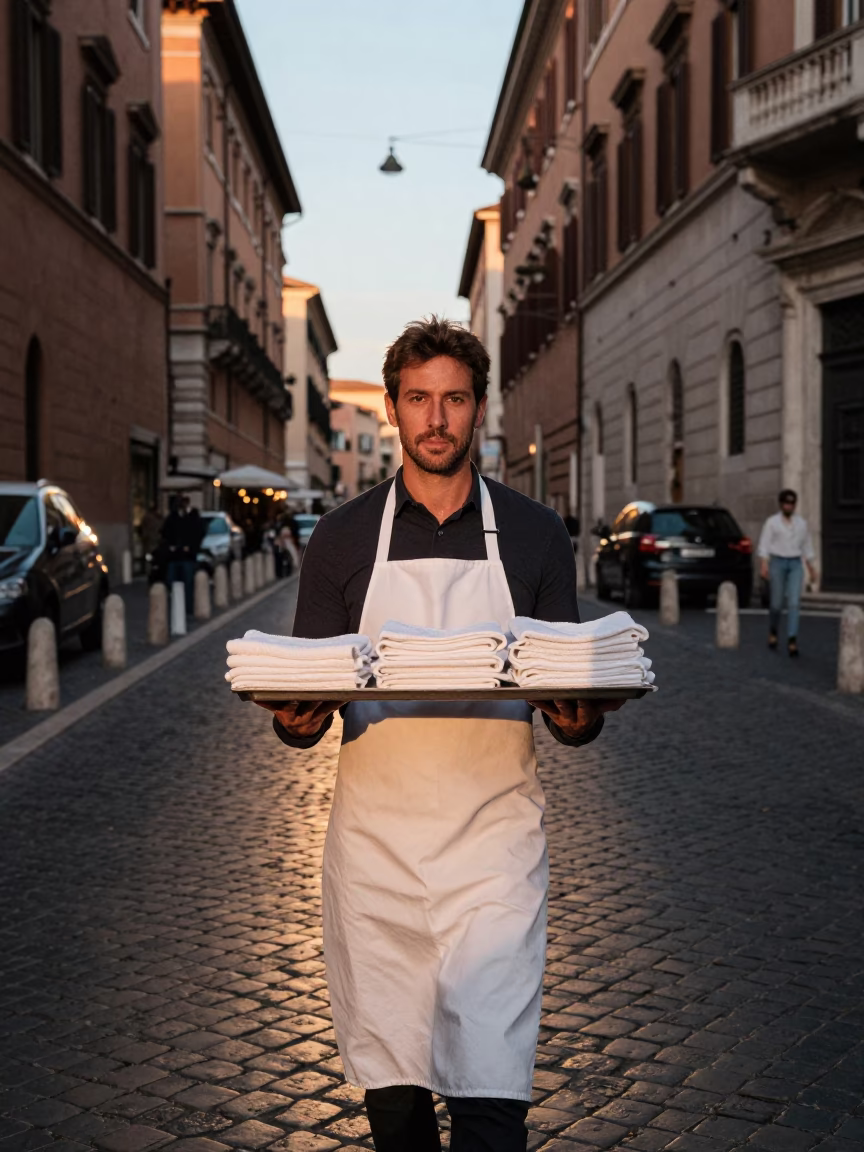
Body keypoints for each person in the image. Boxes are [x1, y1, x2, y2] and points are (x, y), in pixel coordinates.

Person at [256, 317, 626, 1152]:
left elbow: (565, 698)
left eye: (453, 399)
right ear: (392, 409)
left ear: (479, 409)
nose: (436, 418)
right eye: (418, 399)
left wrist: (576, 718)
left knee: (493, 1096)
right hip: (375, 854)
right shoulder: (343, 536)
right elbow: (305, 702)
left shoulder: (534, 533)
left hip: (494, 850)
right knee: (395, 1100)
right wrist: (293, 717)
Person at [757, 488, 817, 657]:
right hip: (777, 562)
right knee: (776, 603)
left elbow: (807, 547)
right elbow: (764, 545)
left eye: (791, 503)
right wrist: (764, 564)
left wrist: (812, 568)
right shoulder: (772, 522)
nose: (789, 506)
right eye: (786, 503)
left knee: (794, 603)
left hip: (795, 564)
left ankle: (792, 639)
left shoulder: (802, 524)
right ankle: (773, 630)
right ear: (781, 504)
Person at [161, 494, 204, 613]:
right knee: (171, 581)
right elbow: (165, 532)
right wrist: (170, 546)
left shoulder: (194, 517)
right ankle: (176, 606)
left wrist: (191, 547)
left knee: (188, 582)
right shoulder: (173, 517)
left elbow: (199, 533)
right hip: (174, 556)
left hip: (188, 557)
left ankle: (188, 607)